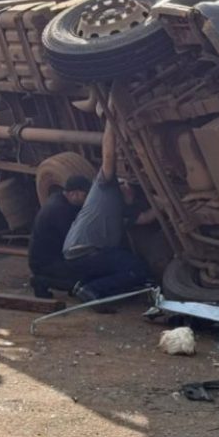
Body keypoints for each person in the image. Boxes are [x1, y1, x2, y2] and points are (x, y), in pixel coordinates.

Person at [62, 119, 157, 302]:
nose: (127, 187)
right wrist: (110, 123)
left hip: (79, 256)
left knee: (125, 262)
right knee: (136, 268)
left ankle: (83, 284)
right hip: (84, 252)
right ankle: (92, 289)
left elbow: (145, 218)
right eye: (123, 184)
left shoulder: (121, 211)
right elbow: (108, 157)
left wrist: (166, 204)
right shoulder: (104, 189)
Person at [28, 175, 91, 298]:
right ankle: (41, 281)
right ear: (73, 194)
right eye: (84, 196)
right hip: (46, 263)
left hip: (49, 257)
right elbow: (72, 242)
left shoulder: (59, 199)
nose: (86, 200)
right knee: (83, 281)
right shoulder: (60, 210)